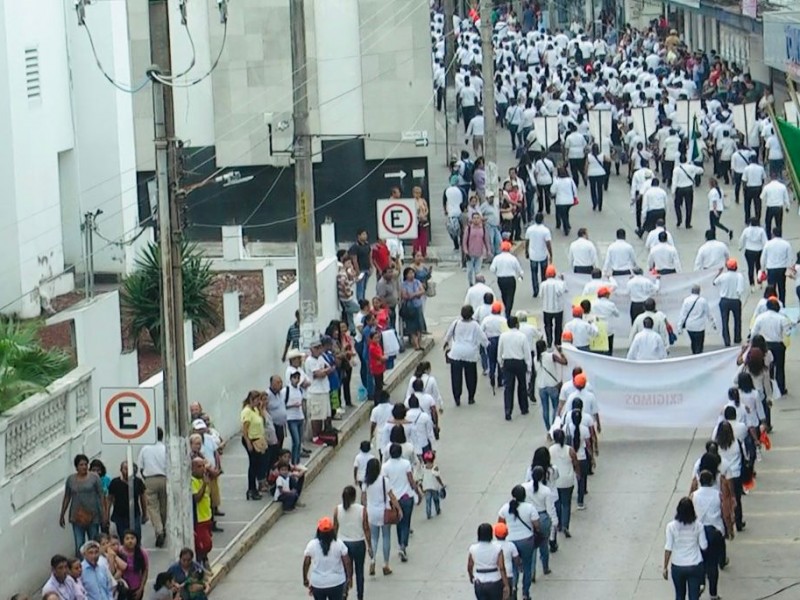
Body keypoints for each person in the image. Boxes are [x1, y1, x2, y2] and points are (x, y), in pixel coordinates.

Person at [497, 486, 540, 600]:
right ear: (524, 496)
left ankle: (514, 587)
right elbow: (536, 525)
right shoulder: (530, 508)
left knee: (514, 567)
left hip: (511, 541)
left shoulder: (505, 508)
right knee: (527, 566)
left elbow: (500, 524)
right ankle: (525, 593)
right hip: (527, 541)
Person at [381, 443, 422, 562]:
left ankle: (400, 544)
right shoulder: (405, 464)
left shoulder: (385, 467)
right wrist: (418, 493)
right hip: (406, 497)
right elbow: (411, 480)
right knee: (406, 522)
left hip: (393, 499)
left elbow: (384, 484)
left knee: (398, 522)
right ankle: (403, 545)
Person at [60, 454, 106, 557]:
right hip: (77, 517)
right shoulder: (71, 480)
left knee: (94, 543)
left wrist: (103, 514)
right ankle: (80, 568)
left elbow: (101, 496)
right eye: (81, 465)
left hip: (93, 516)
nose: (84, 467)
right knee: (79, 545)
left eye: (85, 464)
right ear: (76, 467)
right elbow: (67, 496)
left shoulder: (94, 478)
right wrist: (62, 514)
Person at [691, 471, 727, 600]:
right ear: (712, 481)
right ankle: (713, 594)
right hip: (715, 531)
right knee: (713, 565)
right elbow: (724, 512)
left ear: (700, 481)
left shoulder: (693, 496)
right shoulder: (718, 495)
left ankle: (700, 585)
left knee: (699, 562)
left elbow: (691, 515)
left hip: (699, 532)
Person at [444, 304, 489, 406]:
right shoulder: (475, 325)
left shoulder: (456, 322)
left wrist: (446, 342)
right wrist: (487, 345)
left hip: (456, 353)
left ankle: (457, 398)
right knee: (471, 376)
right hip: (470, 353)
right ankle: (471, 397)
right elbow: (483, 338)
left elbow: (449, 334)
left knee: (456, 377)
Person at [663, 497, 708, 600]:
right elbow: (704, 546)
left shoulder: (671, 527)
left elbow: (668, 548)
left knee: (679, 595)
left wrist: (665, 567)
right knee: (694, 596)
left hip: (678, 566)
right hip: (695, 565)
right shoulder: (698, 526)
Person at [333, 486, 370, 600]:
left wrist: (333, 544)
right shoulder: (361, 509)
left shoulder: (337, 510)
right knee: (360, 572)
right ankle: (360, 596)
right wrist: (370, 545)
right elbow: (366, 528)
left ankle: (344, 593)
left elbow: (334, 528)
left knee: (344, 572)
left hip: (343, 543)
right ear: (354, 496)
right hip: (358, 543)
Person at [302, 516, 352, 600]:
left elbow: (306, 562)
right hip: (336, 582)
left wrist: (305, 578)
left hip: (318, 584)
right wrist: (349, 577)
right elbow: (347, 562)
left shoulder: (312, 544)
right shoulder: (339, 544)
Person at [751, 298, 793, 395]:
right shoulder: (782, 318)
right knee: (780, 368)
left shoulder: (761, 317)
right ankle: (781, 388)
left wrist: (752, 343)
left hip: (765, 345)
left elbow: (754, 332)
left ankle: (768, 388)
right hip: (778, 345)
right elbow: (787, 333)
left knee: (766, 368)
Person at [137, 427, 167, 548]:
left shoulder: (145, 449)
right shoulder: (165, 448)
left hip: (150, 479)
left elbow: (140, 467)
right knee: (164, 507)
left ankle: (159, 530)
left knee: (153, 507)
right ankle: (162, 527)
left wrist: (145, 478)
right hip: (165, 479)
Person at [498, 316, 532, 421]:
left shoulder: (503, 336)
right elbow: (527, 352)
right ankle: (524, 408)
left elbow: (500, 351)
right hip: (519, 362)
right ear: (517, 324)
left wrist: (501, 363)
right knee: (522, 386)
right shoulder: (522, 336)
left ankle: (508, 410)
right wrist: (529, 366)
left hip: (508, 362)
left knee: (508, 388)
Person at [467, 523, 511, 600]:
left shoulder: (473, 548)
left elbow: (470, 566)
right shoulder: (497, 548)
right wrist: (506, 584)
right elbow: (501, 567)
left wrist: (471, 576)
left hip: (479, 582)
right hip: (495, 581)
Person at [107, 461, 146, 541]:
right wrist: (106, 515)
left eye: (130, 469)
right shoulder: (115, 482)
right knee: (123, 538)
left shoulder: (138, 482)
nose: (128, 471)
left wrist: (145, 514)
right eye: (125, 469)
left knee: (136, 538)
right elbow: (109, 499)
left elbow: (143, 498)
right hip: (120, 516)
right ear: (121, 470)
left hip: (135, 514)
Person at [305, 339, 335, 443]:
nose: (318, 350)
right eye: (316, 348)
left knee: (325, 414)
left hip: (324, 389)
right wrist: (325, 371)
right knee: (316, 415)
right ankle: (315, 436)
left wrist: (324, 371)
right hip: (315, 392)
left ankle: (323, 433)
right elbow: (318, 374)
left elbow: (330, 368)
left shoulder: (321, 358)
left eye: (319, 347)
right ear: (311, 349)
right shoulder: (309, 361)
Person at [714, 258, 746, 346]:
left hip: (724, 300)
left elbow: (714, 282)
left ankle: (727, 340)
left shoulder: (723, 276)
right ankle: (737, 338)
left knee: (725, 321)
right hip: (735, 300)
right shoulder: (739, 276)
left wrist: (719, 273)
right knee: (737, 320)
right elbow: (740, 290)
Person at [190, 457, 213, 570]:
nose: (202, 469)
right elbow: (196, 499)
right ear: (192, 468)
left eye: (203, 466)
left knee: (208, 543)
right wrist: (204, 484)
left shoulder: (204, 478)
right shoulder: (192, 481)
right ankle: (200, 564)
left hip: (207, 516)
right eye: (199, 467)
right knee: (203, 544)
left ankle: (204, 559)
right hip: (199, 518)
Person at [490, 241, 523, 317]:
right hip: (510, 279)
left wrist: (497, 273)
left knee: (504, 294)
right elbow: (518, 268)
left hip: (501, 279)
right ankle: (508, 311)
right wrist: (520, 275)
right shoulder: (512, 258)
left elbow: (492, 269)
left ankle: (506, 309)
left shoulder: (497, 258)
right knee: (510, 296)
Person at [760, 228, 793, 303]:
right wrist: (790, 268)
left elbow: (763, 258)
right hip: (782, 268)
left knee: (771, 288)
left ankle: (772, 302)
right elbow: (790, 258)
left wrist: (762, 269)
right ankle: (782, 303)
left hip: (771, 269)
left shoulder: (768, 244)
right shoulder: (786, 244)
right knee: (782, 287)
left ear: (773, 234)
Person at [677, 285, 712, 354]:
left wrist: (679, 327)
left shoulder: (686, 300)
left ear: (691, 291)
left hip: (690, 326)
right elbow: (708, 313)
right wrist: (713, 322)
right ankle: (698, 354)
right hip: (700, 326)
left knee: (693, 341)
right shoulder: (703, 301)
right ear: (699, 291)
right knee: (699, 343)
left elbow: (683, 315)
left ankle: (694, 353)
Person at [524, 213, 552, 297]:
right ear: (542, 220)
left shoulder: (530, 229)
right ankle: (543, 290)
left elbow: (527, 241)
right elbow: (548, 244)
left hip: (533, 255)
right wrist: (551, 254)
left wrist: (526, 251)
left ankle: (535, 290)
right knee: (544, 274)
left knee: (534, 273)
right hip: (543, 254)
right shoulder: (545, 230)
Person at [672, 154, 703, 229]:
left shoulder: (676, 169)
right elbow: (701, 170)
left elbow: (674, 181)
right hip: (689, 188)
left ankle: (679, 219)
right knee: (689, 206)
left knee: (677, 205)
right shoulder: (691, 167)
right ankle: (688, 223)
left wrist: (673, 191)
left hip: (679, 189)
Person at [118, 530, 149, 600]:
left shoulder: (142, 553)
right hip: (122, 589)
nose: (130, 541)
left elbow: (145, 571)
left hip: (136, 588)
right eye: (127, 538)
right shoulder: (119, 551)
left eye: (132, 538)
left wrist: (141, 589)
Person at [540, 265, 567, 346]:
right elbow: (563, 291)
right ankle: (557, 342)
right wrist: (563, 280)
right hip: (558, 309)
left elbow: (541, 295)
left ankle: (549, 340)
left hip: (546, 309)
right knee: (558, 326)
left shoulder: (543, 284)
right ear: (554, 274)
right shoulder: (559, 283)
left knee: (548, 325)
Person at [739, 218, 767, 288]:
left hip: (749, 250)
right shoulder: (761, 230)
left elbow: (742, 239)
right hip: (759, 250)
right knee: (759, 267)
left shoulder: (746, 230)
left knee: (750, 268)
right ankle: (759, 282)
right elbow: (765, 241)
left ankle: (752, 285)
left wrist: (740, 247)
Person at [762, 174, 791, 238]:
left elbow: (761, 196)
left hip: (770, 208)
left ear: (770, 178)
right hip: (779, 208)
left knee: (768, 223)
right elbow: (786, 198)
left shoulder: (767, 187)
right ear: (777, 178)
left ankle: (768, 237)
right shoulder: (782, 186)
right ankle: (779, 236)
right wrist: (787, 207)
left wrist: (766, 200)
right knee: (779, 224)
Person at [551, 165, 578, 235]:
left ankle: (566, 227)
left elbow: (552, 190)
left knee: (563, 215)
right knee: (566, 213)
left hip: (560, 201)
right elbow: (574, 189)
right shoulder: (570, 180)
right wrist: (575, 196)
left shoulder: (557, 181)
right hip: (569, 200)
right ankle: (567, 225)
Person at [742, 155, 766, 225]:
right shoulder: (761, 168)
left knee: (747, 205)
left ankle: (747, 219)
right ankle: (757, 219)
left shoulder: (746, 168)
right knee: (758, 205)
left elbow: (744, 180)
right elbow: (763, 178)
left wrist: (744, 189)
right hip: (758, 188)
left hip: (749, 188)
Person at [585, 143, 607, 210]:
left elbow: (586, 166)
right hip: (600, 173)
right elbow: (608, 160)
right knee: (600, 189)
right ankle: (600, 205)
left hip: (592, 174)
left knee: (593, 189)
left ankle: (594, 203)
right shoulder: (602, 155)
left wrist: (585, 174)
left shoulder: (589, 156)